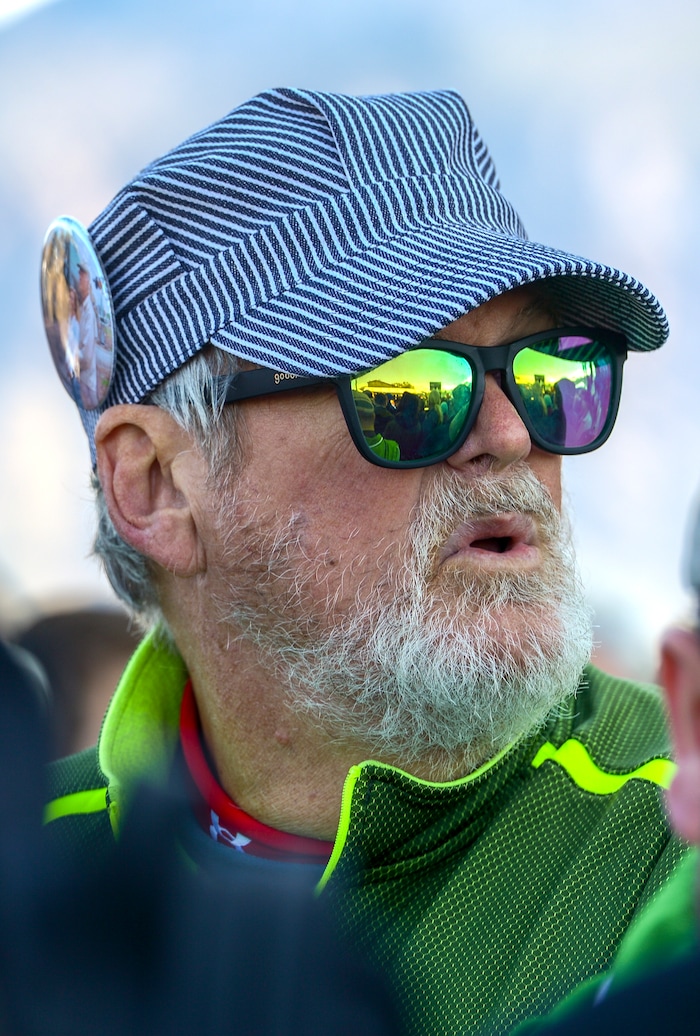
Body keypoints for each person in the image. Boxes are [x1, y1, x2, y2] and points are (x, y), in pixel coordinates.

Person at [42, 88, 687, 1036]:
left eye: (553, 374)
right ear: (156, 485)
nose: (511, 435)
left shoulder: (679, 834)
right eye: (412, 389)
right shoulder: (39, 883)